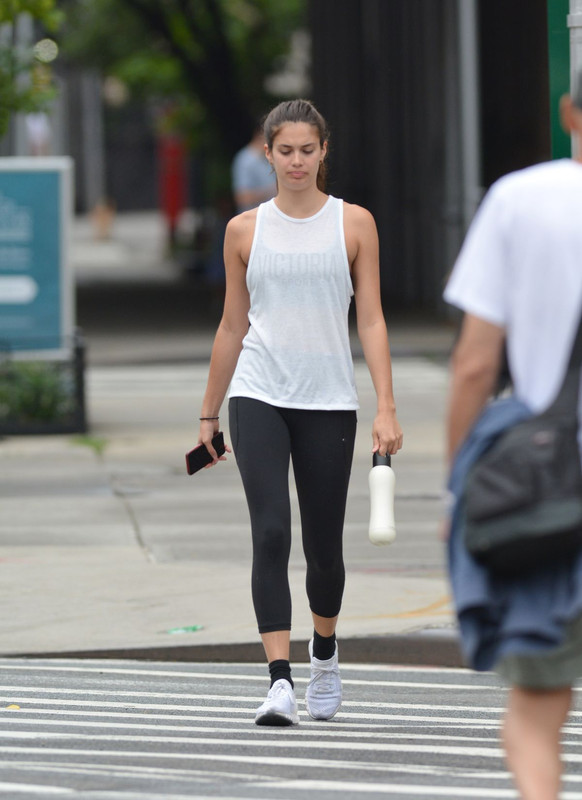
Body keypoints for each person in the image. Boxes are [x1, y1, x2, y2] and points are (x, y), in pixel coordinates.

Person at [197, 98, 403, 726]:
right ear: (267, 153)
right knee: (270, 531)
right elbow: (233, 326)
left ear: (323, 153)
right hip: (258, 392)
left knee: (323, 548)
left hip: (328, 399)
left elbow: (369, 317)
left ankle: (326, 653)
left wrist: (385, 407)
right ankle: (279, 680)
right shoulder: (244, 230)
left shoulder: (355, 224)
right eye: (283, 151)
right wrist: (209, 413)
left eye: (306, 150)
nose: (294, 161)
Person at [443, 73, 582, 799]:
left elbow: (474, 364)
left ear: (569, 112)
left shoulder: (521, 200)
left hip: (552, 487)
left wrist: (457, 485)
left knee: (533, 714)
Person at [231, 123, 277, 213]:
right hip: (252, 222)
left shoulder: (268, 158)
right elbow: (242, 197)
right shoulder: (245, 160)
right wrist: (274, 191)